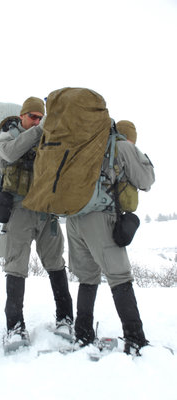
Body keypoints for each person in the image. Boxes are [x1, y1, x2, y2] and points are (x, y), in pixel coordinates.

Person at [66, 119, 155, 354]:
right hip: (99, 217)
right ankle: (135, 339)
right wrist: (136, 153)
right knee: (120, 277)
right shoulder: (123, 147)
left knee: (88, 277)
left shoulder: (89, 146)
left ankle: (83, 334)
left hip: (74, 218)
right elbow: (146, 180)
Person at [0, 96, 73, 348]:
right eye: (33, 117)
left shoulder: (49, 136)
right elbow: (8, 153)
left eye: (41, 117)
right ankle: (15, 328)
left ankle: (65, 319)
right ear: (22, 116)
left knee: (56, 264)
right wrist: (41, 129)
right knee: (16, 266)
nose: (37, 121)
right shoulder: (7, 135)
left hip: (45, 210)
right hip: (18, 209)